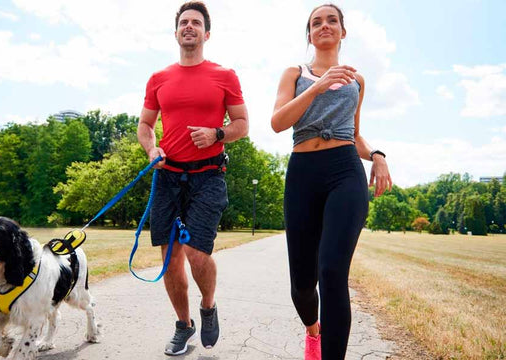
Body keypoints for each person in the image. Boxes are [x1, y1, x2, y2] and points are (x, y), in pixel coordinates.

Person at [271, 4, 392, 360]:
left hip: (344, 172)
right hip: (304, 173)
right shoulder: (295, 72)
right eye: (316, 23)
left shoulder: (357, 80)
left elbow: (354, 136)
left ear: (343, 31)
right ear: (309, 35)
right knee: (303, 286)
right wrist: (318, 87)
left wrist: (378, 155)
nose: (324, 26)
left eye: (332, 21)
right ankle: (313, 330)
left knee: (333, 272)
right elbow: (278, 122)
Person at [137, 1, 249, 356]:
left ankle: (208, 306)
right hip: (168, 176)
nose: (189, 27)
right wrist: (151, 150)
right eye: (184, 22)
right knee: (170, 256)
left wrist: (217, 134)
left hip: (208, 176)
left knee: (197, 251)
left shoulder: (224, 75)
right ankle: (183, 326)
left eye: (196, 23)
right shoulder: (158, 78)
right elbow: (144, 126)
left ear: (206, 33)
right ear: (176, 33)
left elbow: (242, 125)